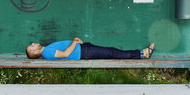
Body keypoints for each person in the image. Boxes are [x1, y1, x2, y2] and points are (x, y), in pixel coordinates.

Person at [25, 37, 155, 60]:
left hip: (83, 49)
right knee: (112, 52)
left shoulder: (47, 50)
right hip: (84, 52)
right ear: (35, 52)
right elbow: (65, 54)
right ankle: (143, 54)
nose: (33, 43)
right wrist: (75, 42)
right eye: (32, 46)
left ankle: (142, 53)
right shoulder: (47, 52)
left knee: (112, 51)